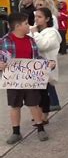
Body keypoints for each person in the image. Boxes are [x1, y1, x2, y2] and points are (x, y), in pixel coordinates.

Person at [0, 13, 55, 144]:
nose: (29, 26)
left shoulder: (30, 40)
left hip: (30, 79)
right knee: (15, 106)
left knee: (34, 104)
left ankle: (40, 128)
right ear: (18, 26)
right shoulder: (4, 41)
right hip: (13, 80)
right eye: (26, 23)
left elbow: (36, 58)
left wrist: (48, 64)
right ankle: (16, 132)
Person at [30, 7, 61, 124]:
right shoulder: (33, 30)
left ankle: (44, 115)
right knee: (35, 94)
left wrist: (35, 33)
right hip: (33, 66)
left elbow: (43, 45)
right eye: (35, 17)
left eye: (40, 17)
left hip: (46, 66)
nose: (36, 19)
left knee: (44, 93)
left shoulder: (52, 32)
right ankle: (38, 114)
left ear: (47, 18)